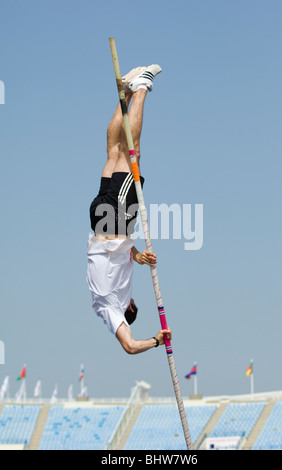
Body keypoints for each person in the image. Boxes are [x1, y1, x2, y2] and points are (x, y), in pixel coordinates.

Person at [87, 65, 172, 355]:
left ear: (131, 307)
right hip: (99, 223)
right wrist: (137, 256)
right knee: (113, 152)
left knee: (131, 150)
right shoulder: (100, 303)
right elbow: (120, 262)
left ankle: (141, 88)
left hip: (116, 223)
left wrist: (159, 339)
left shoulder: (114, 310)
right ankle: (124, 94)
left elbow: (131, 347)